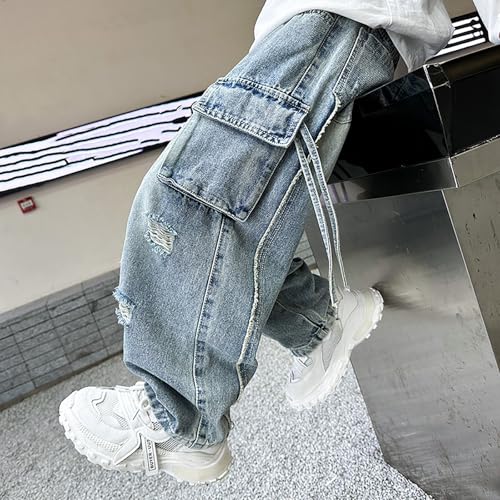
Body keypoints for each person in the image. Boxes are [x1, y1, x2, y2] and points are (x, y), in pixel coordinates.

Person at [58, 0, 499, 484]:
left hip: (335, 25)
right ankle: (319, 322)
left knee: (185, 201)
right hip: (313, 33)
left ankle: (179, 420)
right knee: (240, 214)